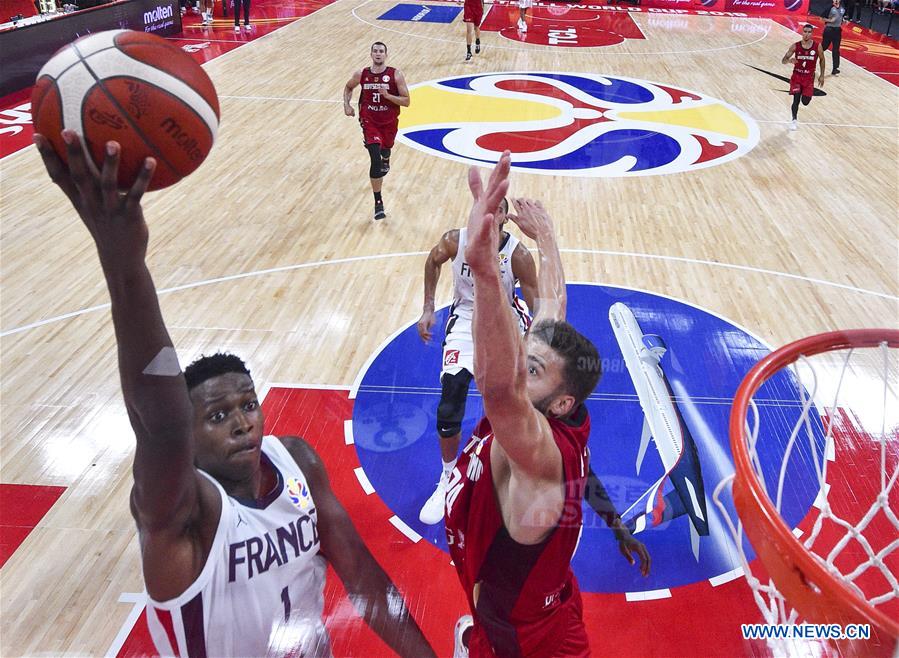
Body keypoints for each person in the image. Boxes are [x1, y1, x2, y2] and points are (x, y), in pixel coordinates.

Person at [32, 130, 436, 658]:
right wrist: (124, 262)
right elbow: (160, 423)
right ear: (189, 438)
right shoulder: (183, 510)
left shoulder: (296, 462)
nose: (243, 422)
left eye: (247, 405)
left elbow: (364, 578)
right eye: (218, 416)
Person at [444, 152, 645, 657]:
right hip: (544, 601)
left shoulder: (537, 452)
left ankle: (472, 642)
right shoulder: (565, 410)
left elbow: (498, 388)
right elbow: (552, 308)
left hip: (524, 627)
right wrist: (547, 236)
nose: (519, 360)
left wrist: (485, 273)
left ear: (559, 403)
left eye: (531, 369)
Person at [416, 198, 538, 525]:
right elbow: (432, 261)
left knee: (507, 405)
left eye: (498, 208)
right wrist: (428, 307)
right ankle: (447, 477)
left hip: (505, 321)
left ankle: (512, 475)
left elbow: (539, 307)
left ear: (504, 218)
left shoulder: (518, 255)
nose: (490, 211)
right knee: (449, 403)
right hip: (466, 319)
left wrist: (531, 344)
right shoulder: (455, 241)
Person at [343, 42, 410, 221]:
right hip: (369, 121)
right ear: (371, 54)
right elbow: (348, 87)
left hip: (388, 122)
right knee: (375, 159)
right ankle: (378, 202)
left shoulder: (395, 74)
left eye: (381, 51)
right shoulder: (362, 74)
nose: (378, 54)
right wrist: (346, 105)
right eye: (375, 51)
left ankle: (386, 155)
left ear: (386, 55)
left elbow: (406, 101)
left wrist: (387, 96)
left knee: (386, 148)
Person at [782, 24, 825, 131]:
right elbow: (783, 60)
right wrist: (789, 60)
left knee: (805, 102)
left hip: (809, 78)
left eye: (809, 32)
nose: (806, 34)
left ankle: (803, 93)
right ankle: (794, 120)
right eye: (805, 31)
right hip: (797, 76)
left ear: (812, 33)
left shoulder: (817, 46)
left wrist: (822, 75)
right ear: (802, 32)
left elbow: (822, 59)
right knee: (796, 99)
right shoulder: (795, 46)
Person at [821, 0, 844, 74]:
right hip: (829, 30)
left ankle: (835, 68)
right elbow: (822, 18)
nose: (836, 0)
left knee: (836, 50)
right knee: (824, 47)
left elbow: (841, 17)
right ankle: (813, 56)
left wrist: (843, 21)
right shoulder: (829, 8)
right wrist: (830, 20)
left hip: (837, 31)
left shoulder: (842, 8)